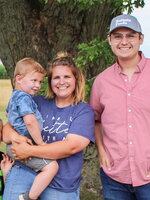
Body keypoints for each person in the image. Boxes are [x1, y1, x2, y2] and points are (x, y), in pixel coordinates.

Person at [2, 52, 95, 200]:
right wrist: (15, 137)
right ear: (50, 82)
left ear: (76, 79)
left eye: (67, 77)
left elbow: (71, 146)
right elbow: (6, 131)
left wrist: (28, 150)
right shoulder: (36, 102)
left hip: (60, 184)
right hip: (23, 173)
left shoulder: (83, 111)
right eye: (56, 77)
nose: (61, 82)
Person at [90, 14, 150, 200]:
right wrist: (101, 151)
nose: (124, 41)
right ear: (109, 40)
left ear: (141, 39)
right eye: (118, 36)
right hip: (114, 175)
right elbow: (95, 120)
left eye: (130, 35)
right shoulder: (102, 81)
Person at [5, 58, 59, 200]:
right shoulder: (24, 98)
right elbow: (30, 122)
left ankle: (9, 177)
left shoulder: (14, 97)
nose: (38, 86)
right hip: (23, 145)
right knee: (52, 167)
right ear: (19, 78)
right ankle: (29, 197)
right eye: (34, 81)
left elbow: (7, 114)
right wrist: (40, 143)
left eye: (40, 82)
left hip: (16, 145)